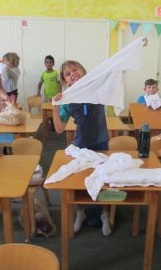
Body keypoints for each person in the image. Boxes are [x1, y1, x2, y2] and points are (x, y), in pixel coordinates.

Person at [53, 60, 111, 236]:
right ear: (65, 81)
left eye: (75, 69)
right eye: (68, 74)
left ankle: (104, 214)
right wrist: (55, 107)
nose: (73, 74)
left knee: (103, 180)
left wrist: (136, 45)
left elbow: (114, 68)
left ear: (84, 70)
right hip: (81, 145)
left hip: (101, 144)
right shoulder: (68, 99)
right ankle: (80, 213)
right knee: (79, 182)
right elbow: (59, 128)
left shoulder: (97, 86)